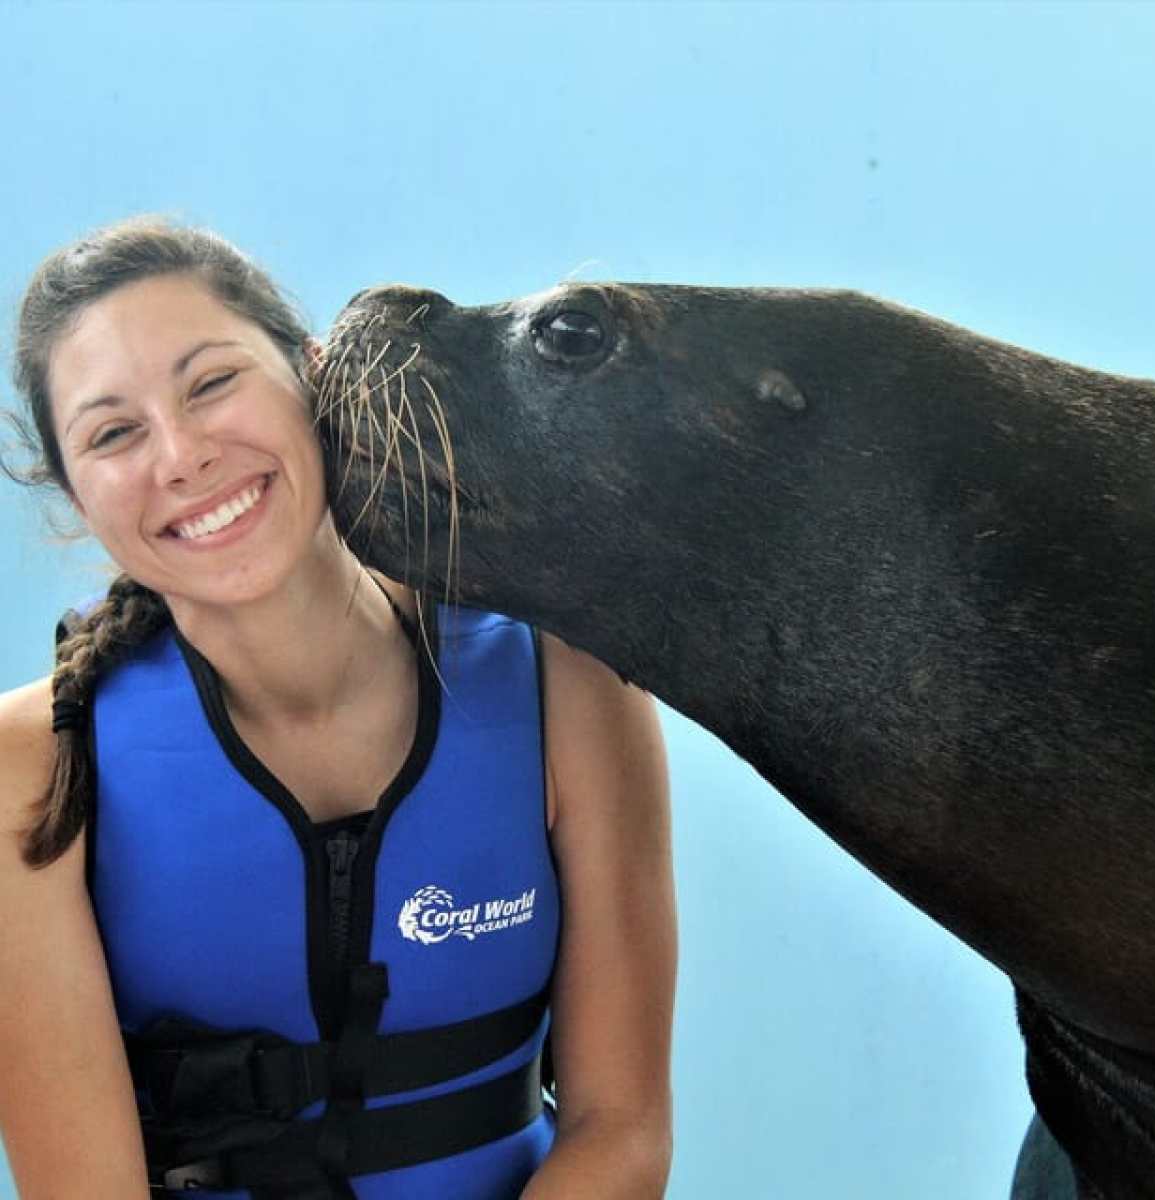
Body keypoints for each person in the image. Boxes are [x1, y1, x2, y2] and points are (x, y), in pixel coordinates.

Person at [0, 218, 676, 1199]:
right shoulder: (31, 768)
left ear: (315, 373)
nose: (181, 456)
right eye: (114, 433)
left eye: (211, 382)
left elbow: (624, 1129)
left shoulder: (561, 668)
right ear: (75, 496)